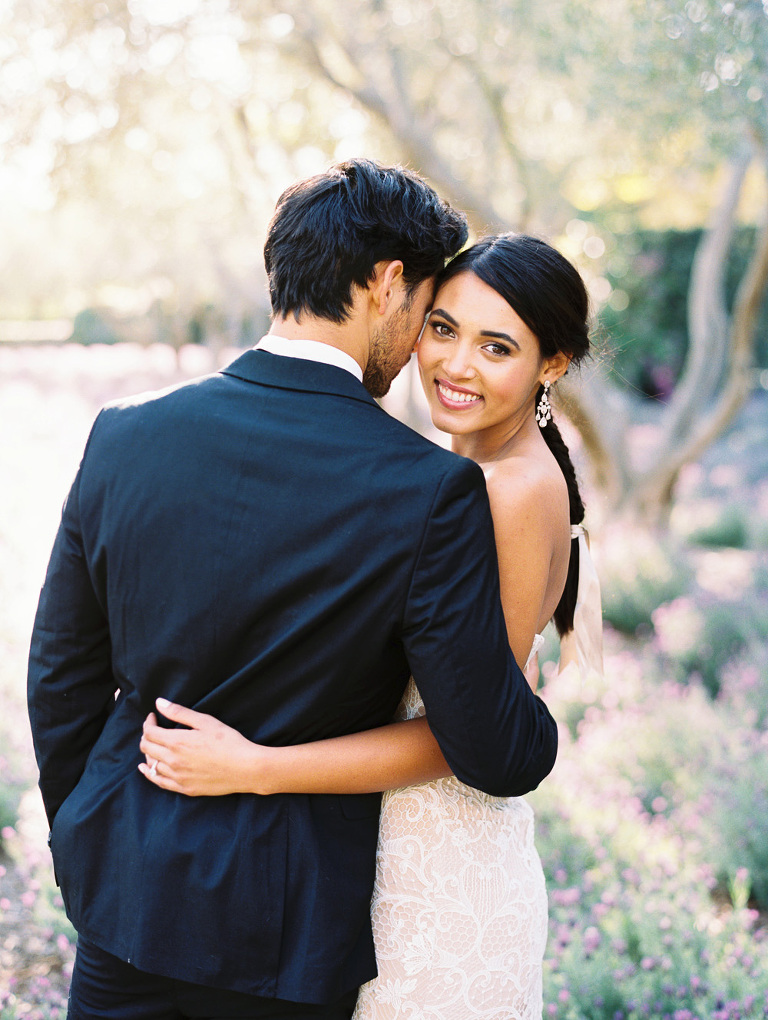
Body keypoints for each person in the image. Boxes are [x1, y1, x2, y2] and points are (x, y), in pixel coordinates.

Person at [27, 163, 559, 1020]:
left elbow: (60, 677)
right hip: (287, 936)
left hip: (126, 904)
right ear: (390, 284)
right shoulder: (427, 490)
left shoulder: (125, 435)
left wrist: (93, 842)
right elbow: (500, 755)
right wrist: (527, 700)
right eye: (430, 310)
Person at [138, 233, 598, 1019]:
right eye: (443, 329)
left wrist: (254, 766)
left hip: (441, 873)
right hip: (375, 849)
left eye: (497, 347)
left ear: (550, 366)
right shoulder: (461, 472)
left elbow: (469, 738)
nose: (455, 366)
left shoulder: (509, 491)